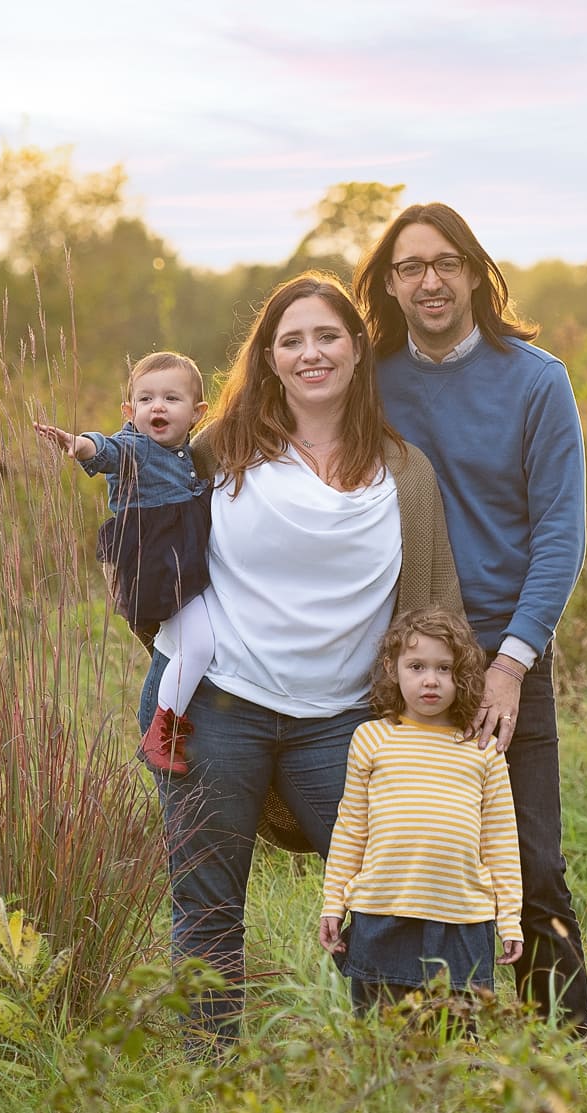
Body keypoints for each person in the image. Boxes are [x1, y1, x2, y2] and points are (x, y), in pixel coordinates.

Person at [139, 272, 463, 1046]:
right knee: (208, 905)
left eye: (327, 337)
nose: (310, 353)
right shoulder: (221, 449)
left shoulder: (405, 473)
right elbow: (150, 537)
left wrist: (442, 721)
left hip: (342, 725)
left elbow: (434, 606)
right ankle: (207, 1083)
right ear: (270, 359)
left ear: (357, 351)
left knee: (388, 891)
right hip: (216, 708)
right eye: (291, 341)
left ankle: (399, 1068)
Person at [353, 203, 587, 1033]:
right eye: (411, 266)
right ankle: (418, 1044)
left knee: (528, 858)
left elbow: (561, 538)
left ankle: (571, 1050)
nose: (429, 280)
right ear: (389, 283)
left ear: (475, 273)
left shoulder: (537, 379)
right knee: (408, 857)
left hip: (502, 650)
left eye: (446, 263)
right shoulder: (369, 378)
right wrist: (140, 449)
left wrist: (512, 662)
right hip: (406, 655)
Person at [319, 607, 522, 1017]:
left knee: (454, 1033)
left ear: (462, 676)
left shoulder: (481, 749)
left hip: (462, 917)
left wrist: (511, 919)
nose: (430, 679)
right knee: (379, 1031)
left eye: (444, 668)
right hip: (382, 910)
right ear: (393, 670)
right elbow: (351, 829)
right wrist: (333, 903)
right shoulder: (372, 738)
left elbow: (500, 840)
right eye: (416, 666)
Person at [34, 350, 214, 775]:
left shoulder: (187, 452)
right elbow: (109, 450)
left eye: (171, 398)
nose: (158, 407)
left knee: (194, 640)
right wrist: (80, 445)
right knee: (198, 644)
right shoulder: (138, 448)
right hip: (159, 567)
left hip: (181, 563)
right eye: (146, 399)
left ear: (197, 414)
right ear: (129, 411)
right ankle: (163, 731)